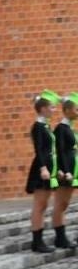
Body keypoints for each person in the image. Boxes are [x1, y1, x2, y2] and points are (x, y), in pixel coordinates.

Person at [28, 91, 61, 252]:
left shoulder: (46, 126)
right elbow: (39, 150)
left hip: (49, 168)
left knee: (44, 204)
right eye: (51, 107)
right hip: (42, 169)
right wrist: (43, 168)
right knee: (39, 205)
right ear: (42, 109)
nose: (53, 110)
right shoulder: (38, 127)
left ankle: (39, 240)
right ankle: (36, 240)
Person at [53, 94, 76, 249]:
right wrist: (64, 170)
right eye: (76, 109)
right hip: (65, 170)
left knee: (65, 203)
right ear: (67, 110)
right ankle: (60, 237)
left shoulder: (69, 128)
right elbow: (60, 151)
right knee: (61, 203)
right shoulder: (61, 129)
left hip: (72, 170)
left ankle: (62, 236)